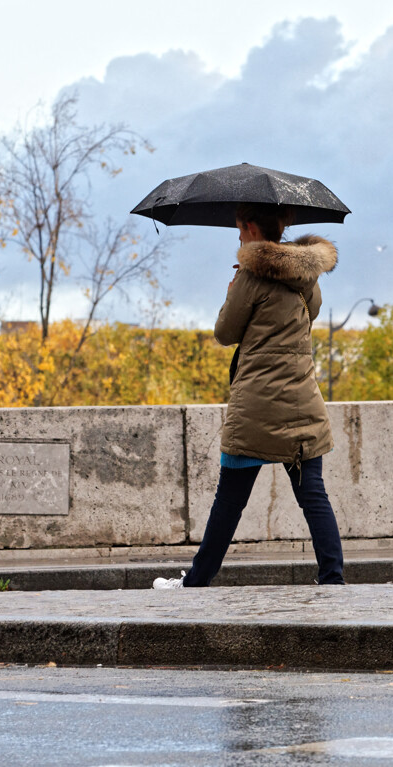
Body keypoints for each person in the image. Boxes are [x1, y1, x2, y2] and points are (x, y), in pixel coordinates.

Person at [154, 203, 346, 588]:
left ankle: (196, 580)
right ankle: (332, 578)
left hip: (256, 405)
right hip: (302, 402)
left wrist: (233, 292)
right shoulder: (308, 277)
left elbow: (226, 333)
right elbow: (313, 312)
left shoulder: (250, 278)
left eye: (241, 228)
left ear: (253, 229)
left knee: (229, 502)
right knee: (313, 495)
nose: (238, 235)